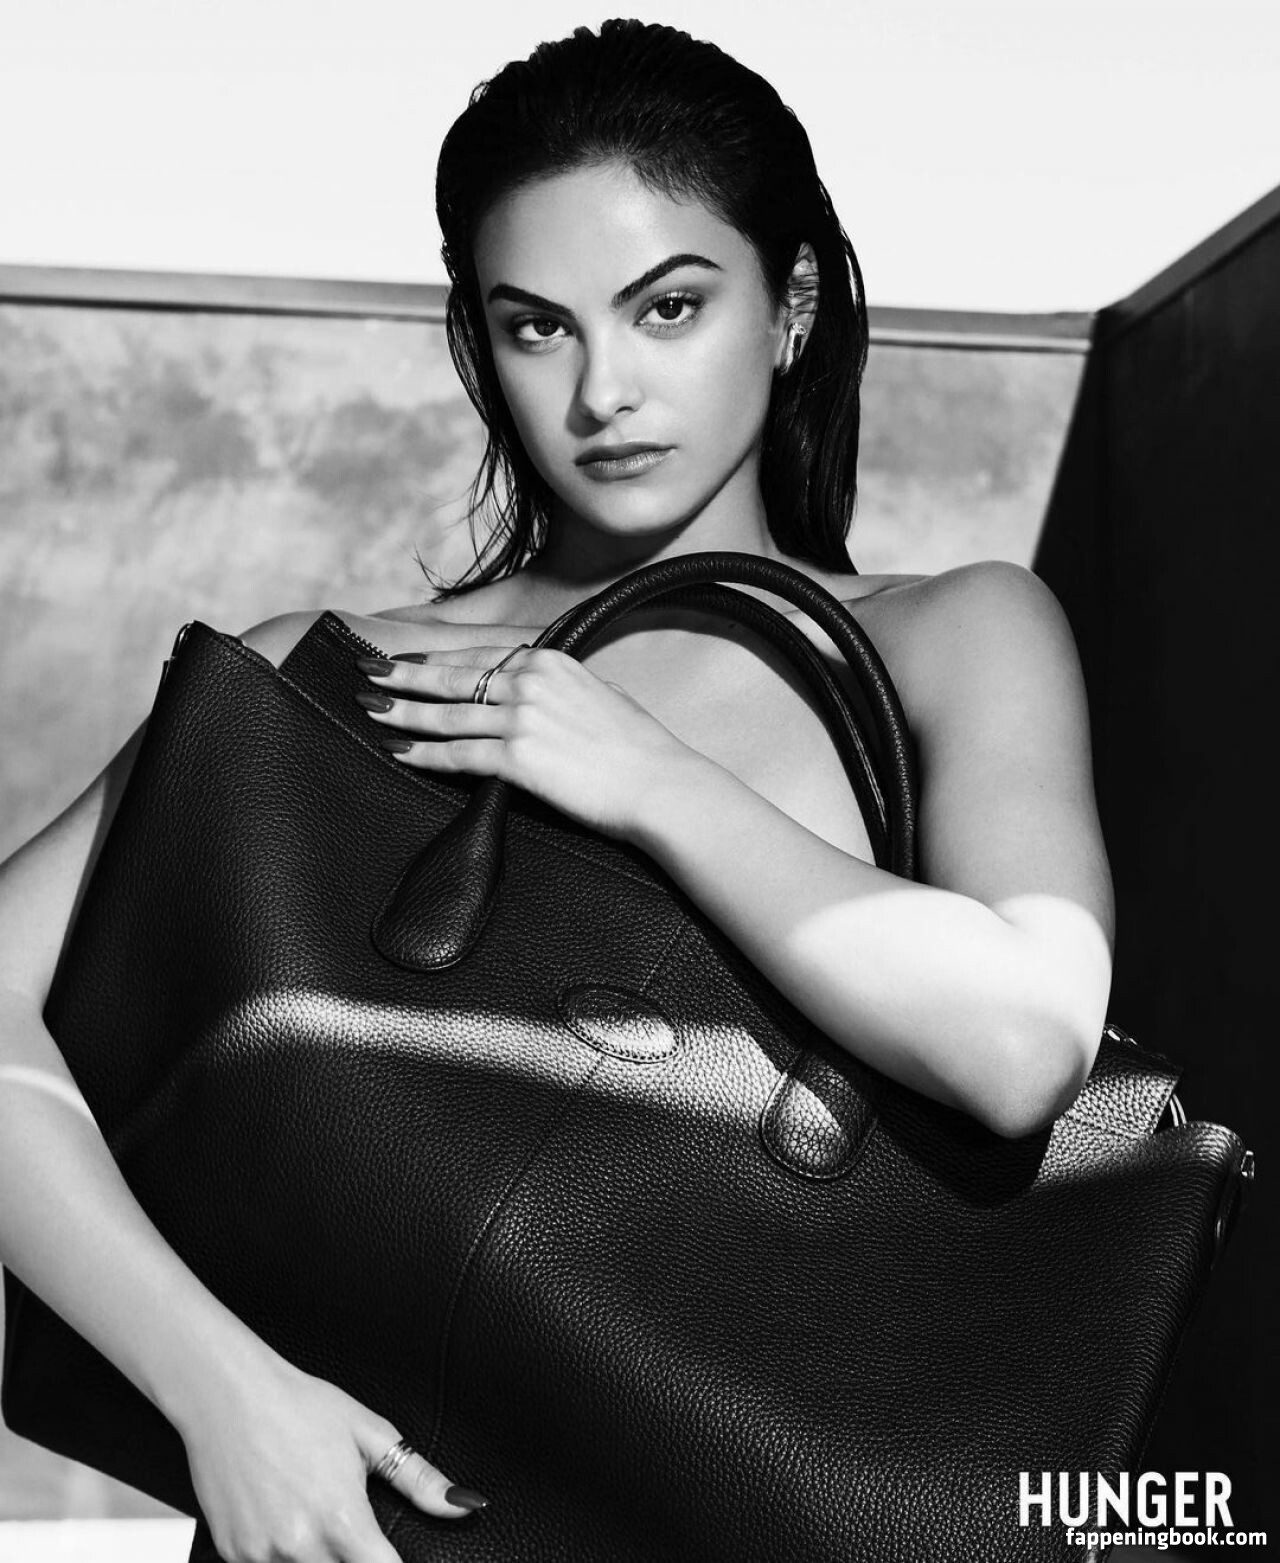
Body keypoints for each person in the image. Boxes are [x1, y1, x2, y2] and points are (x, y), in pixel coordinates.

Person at [0, 18, 1114, 1563]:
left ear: (791, 304)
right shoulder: (325, 672)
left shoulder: (952, 633)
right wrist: (223, 1393)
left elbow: (1021, 1044)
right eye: (537, 328)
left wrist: (640, 772)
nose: (604, 391)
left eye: (669, 308)